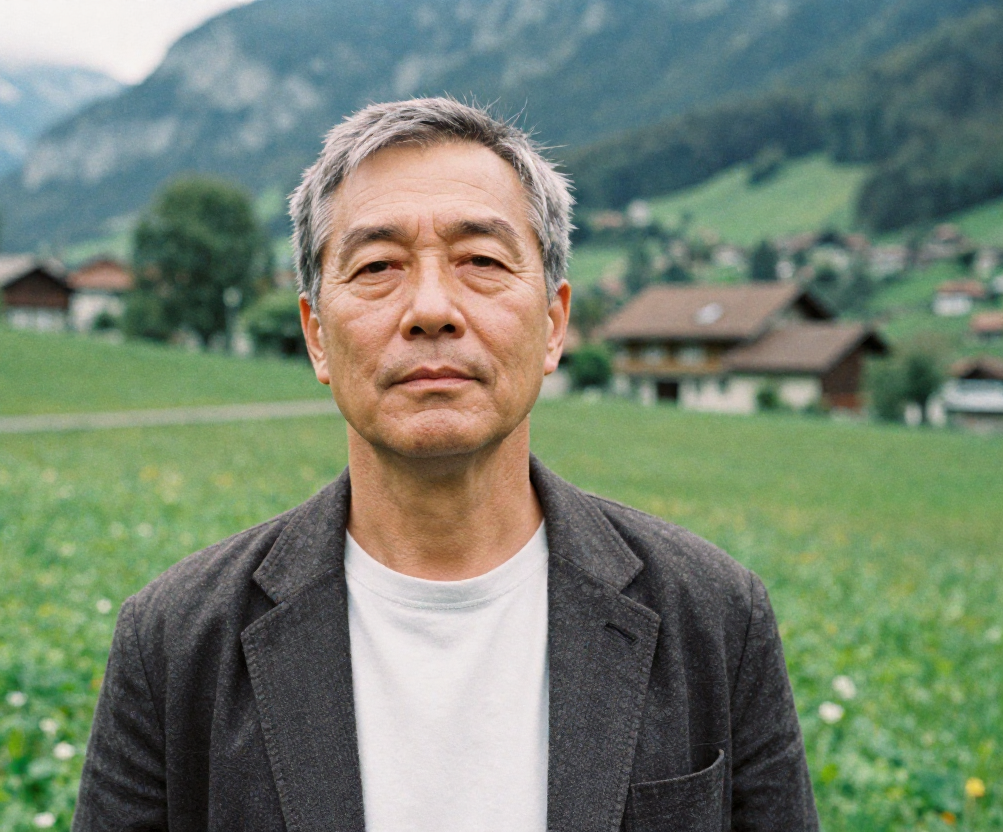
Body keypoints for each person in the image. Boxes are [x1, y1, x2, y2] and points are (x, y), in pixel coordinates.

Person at [73, 98, 818, 832]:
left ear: (554, 324)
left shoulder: (714, 618)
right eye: (377, 266)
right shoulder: (174, 642)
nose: (431, 307)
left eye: (482, 261)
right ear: (317, 335)